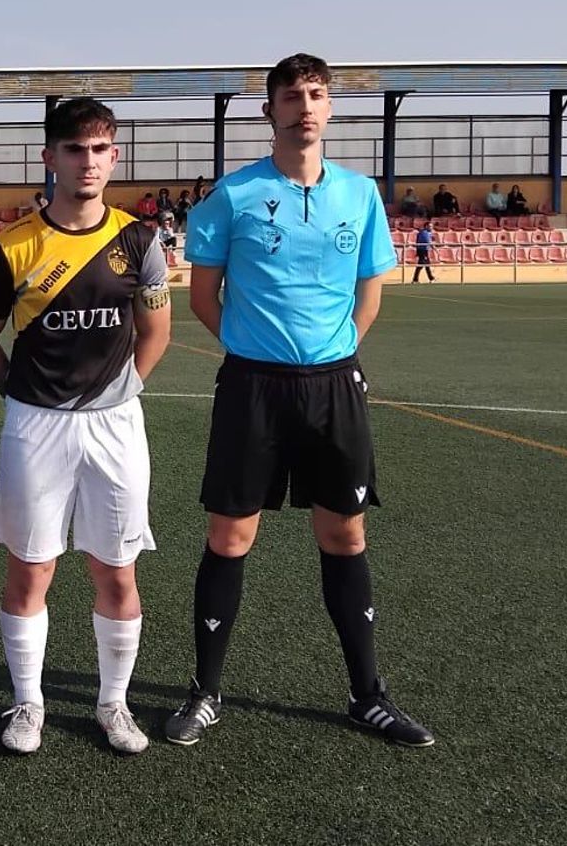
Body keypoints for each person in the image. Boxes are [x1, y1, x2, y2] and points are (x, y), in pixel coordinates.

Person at [171, 53, 434, 749]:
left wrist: (329, 354)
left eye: (317, 95)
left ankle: (368, 695)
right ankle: (204, 692)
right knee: (230, 536)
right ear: (271, 111)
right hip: (252, 388)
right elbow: (203, 296)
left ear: (330, 108)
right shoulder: (232, 195)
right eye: (292, 96)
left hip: (333, 387)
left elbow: (370, 290)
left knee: (345, 534)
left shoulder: (360, 194)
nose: (305, 107)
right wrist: (259, 349)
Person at [0, 97, 172, 756]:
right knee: (32, 570)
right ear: (50, 157)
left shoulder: (140, 239)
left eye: (100, 148)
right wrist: (20, 396)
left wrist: (124, 390)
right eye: (75, 149)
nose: (88, 161)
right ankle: (28, 704)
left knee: (117, 570)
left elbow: (156, 327)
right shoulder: (13, 246)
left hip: (116, 428)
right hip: (37, 428)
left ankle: (113, 703)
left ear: (114, 156)